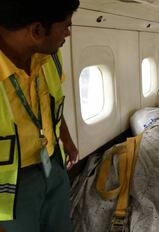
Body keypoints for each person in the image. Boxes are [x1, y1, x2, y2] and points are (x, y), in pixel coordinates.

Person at [0, 0, 80, 231]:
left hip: (53, 163)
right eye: (65, 25)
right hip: (11, 186)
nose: (68, 33)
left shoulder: (50, 56)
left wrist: (66, 139)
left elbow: (51, 101)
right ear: (36, 31)